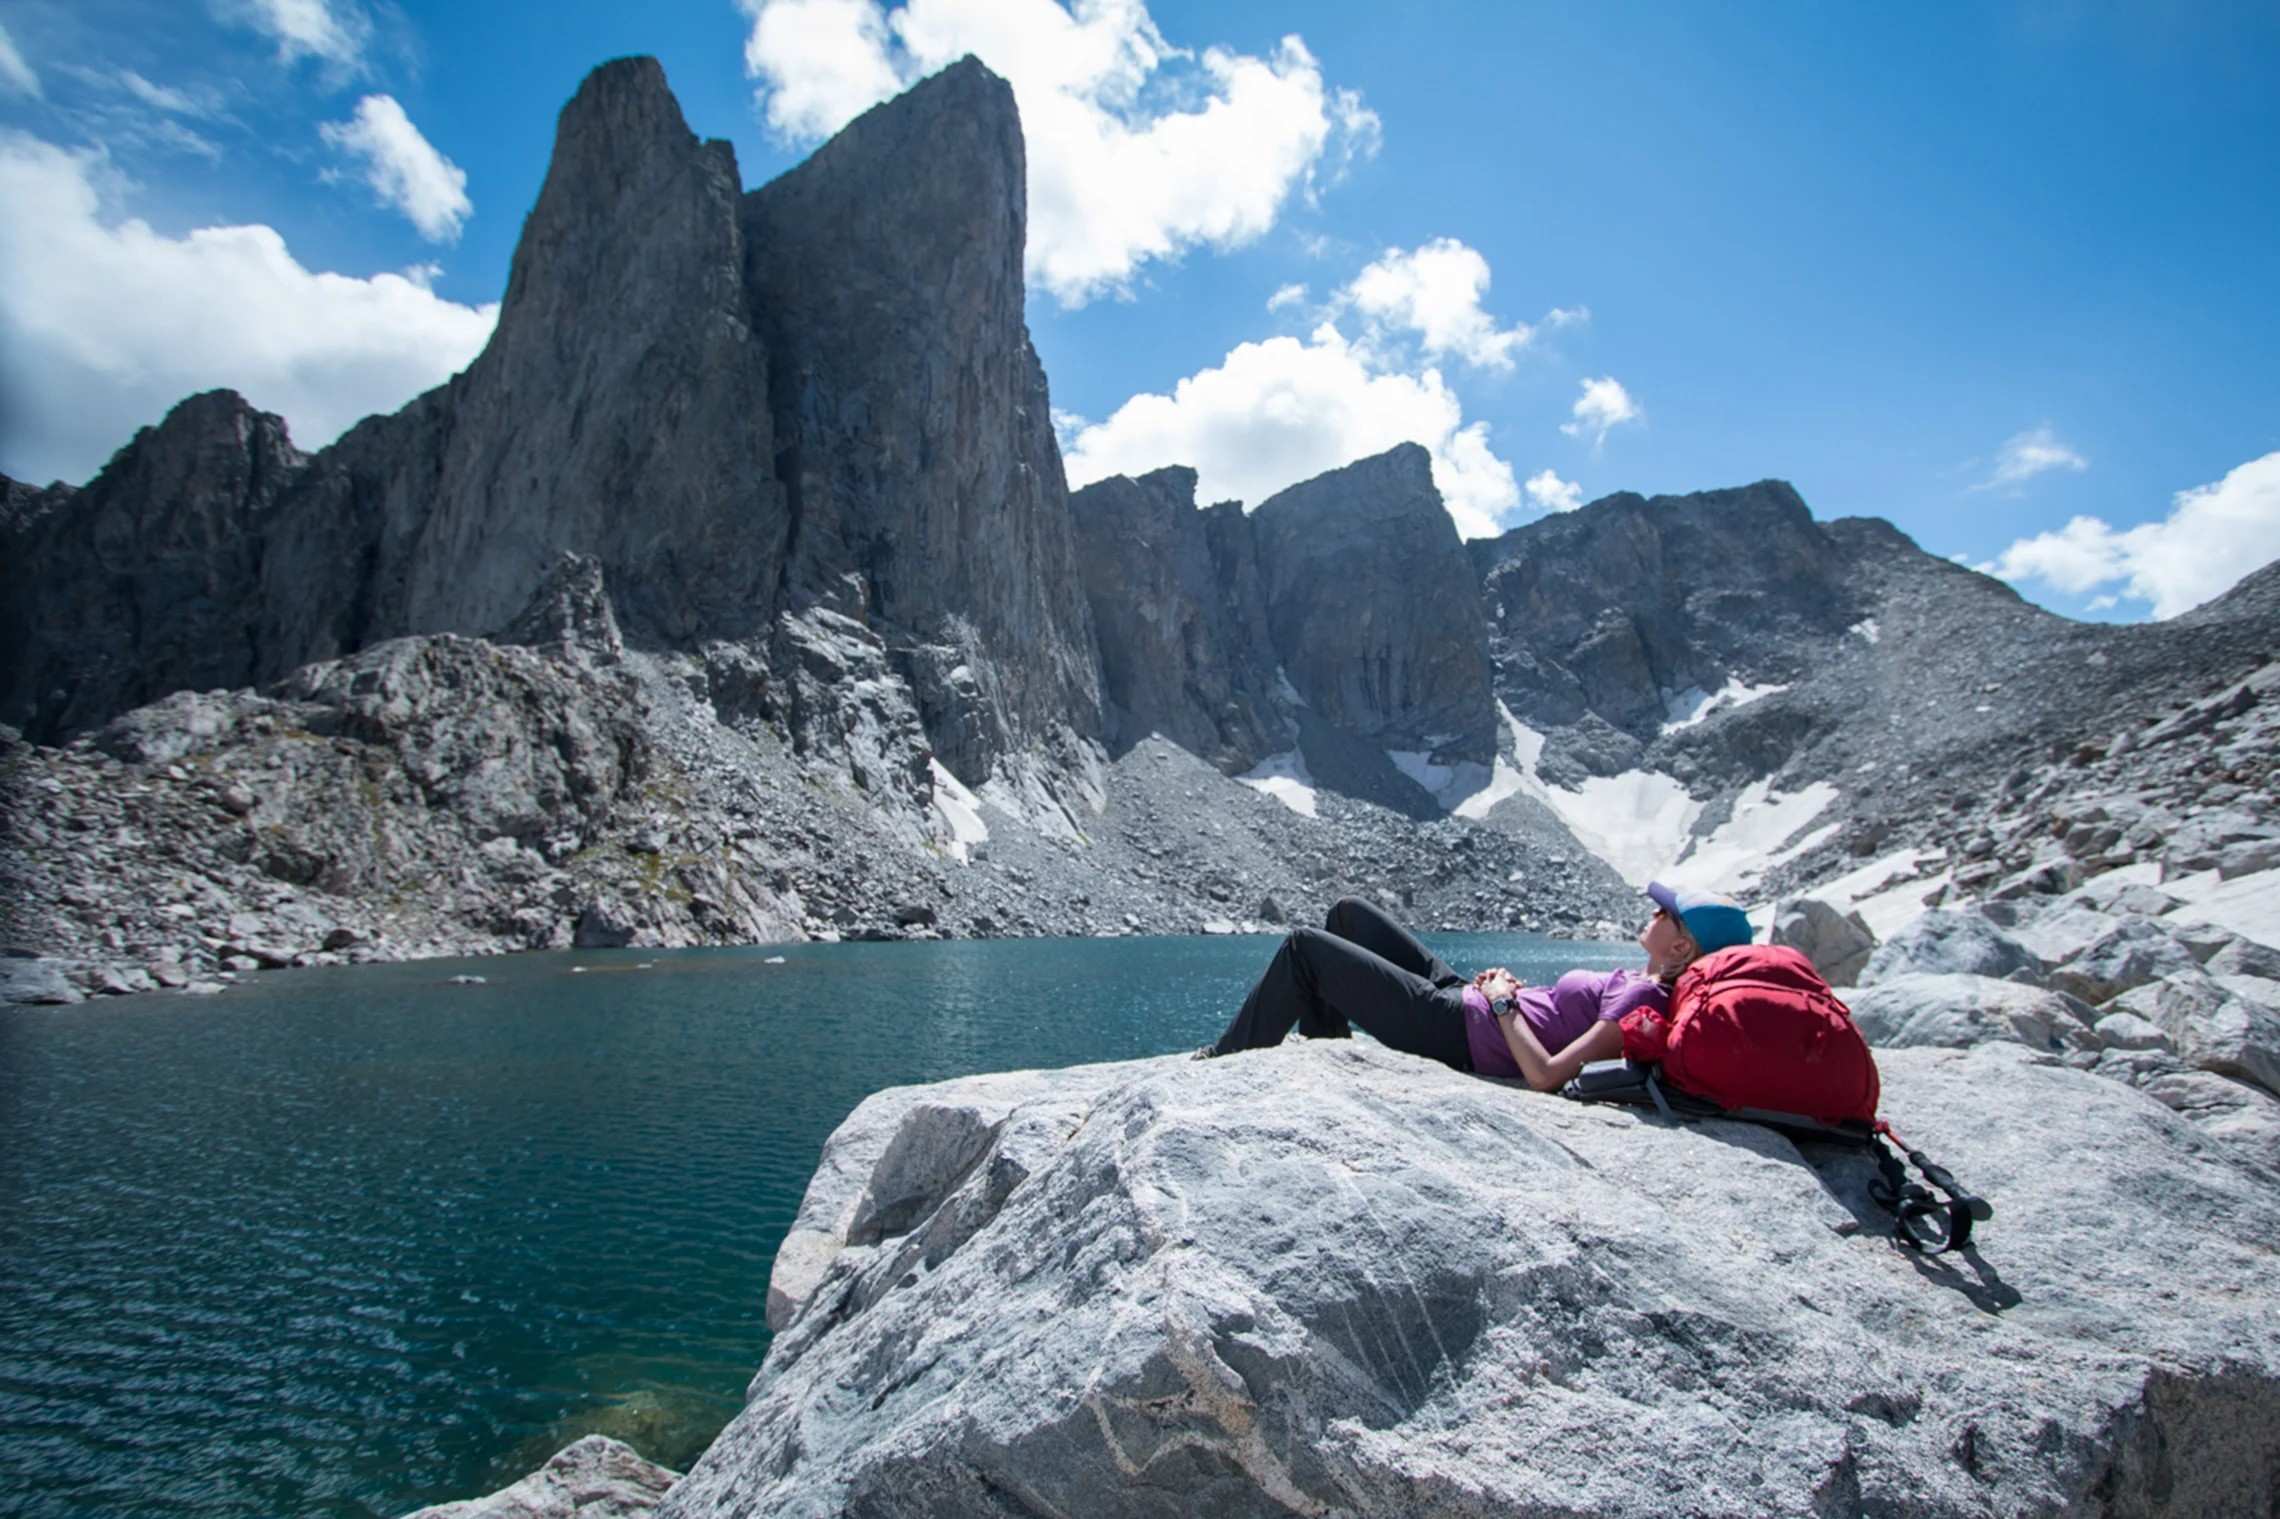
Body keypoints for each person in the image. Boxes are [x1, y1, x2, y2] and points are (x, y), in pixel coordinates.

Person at [1198, 882, 1754, 1090]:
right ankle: (1327, 1058)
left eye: (1667, 913)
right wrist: (1503, 991)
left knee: (1305, 947)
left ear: (1682, 948)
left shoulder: (1643, 1000)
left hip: (1459, 1029)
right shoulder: (1642, 982)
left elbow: (1547, 1075)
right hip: (1467, 999)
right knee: (1347, 914)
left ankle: (1227, 1062)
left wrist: (1504, 1000)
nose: (1655, 912)